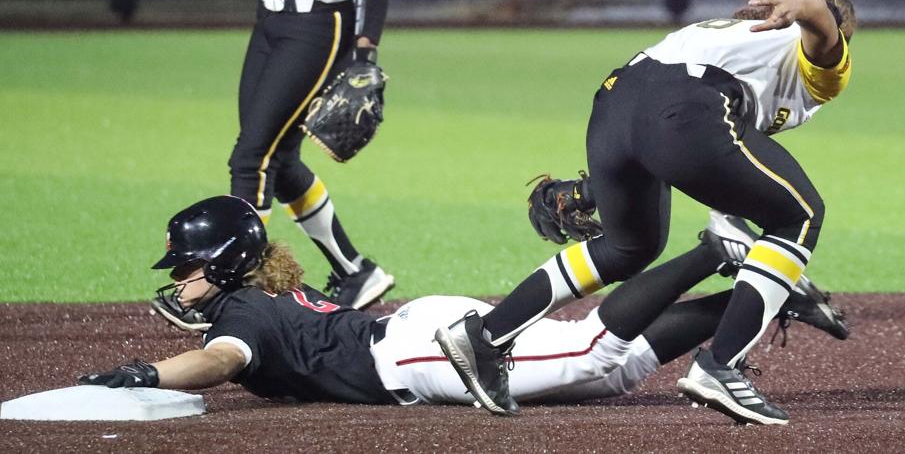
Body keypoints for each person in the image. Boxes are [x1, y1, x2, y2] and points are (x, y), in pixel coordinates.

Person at [435, 0, 855, 424]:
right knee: (800, 216)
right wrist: (803, 4)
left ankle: (485, 337)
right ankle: (721, 367)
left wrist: (589, 192)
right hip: (690, 102)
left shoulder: (727, 36)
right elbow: (822, 21)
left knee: (628, 246)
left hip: (618, 99)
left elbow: (668, 138)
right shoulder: (816, 52)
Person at [78, 196, 847, 409]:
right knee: (608, 370)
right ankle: (753, 295)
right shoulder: (269, 286)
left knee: (585, 347)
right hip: (413, 335)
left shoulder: (242, 312)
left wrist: (148, 373)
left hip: (413, 355)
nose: (178, 280)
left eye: (186, 267)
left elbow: (217, 363)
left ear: (224, 263)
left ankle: (712, 250)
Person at [227, 0, 395, 310]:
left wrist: (364, 58)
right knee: (280, 159)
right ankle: (355, 271)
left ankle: (234, 288)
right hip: (269, 16)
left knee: (252, 159)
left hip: (320, 24)